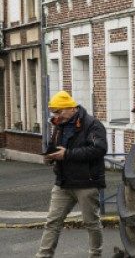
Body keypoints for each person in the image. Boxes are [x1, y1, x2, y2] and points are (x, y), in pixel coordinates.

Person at [35, 91, 107, 258]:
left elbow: (99, 149)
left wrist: (67, 154)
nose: (56, 116)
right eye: (53, 112)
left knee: (91, 223)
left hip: (86, 183)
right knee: (52, 222)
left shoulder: (92, 124)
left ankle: (95, 255)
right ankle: (43, 255)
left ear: (71, 108)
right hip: (63, 183)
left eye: (58, 112)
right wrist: (50, 157)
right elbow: (56, 147)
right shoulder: (59, 126)